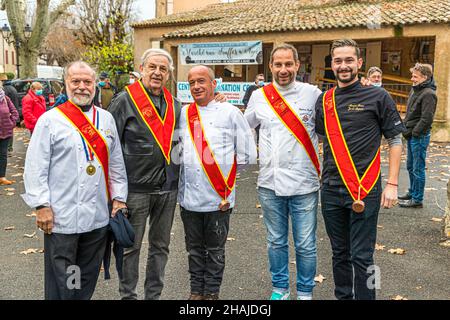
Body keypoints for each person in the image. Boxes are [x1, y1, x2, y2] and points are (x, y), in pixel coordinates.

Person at [22, 61, 128, 300]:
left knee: (86, 276)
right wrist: (41, 205)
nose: (82, 87)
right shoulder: (50, 120)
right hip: (62, 217)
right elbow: (35, 166)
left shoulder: (107, 119)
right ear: (66, 84)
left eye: (87, 82)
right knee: (65, 279)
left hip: (97, 217)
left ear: (94, 85)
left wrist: (119, 198)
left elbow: (117, 165)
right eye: (76, 82)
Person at [315, 39, 405, 300]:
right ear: (332, 64)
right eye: (338, 61)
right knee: (339, 253)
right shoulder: (325, 100)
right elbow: (323, 140)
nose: (343, 66)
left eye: (349, 60)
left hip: (365, 190)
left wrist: (392, 184)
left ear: (359, 63)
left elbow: (395, 140)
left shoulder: (379, 96)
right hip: (331, 189)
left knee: (364, 255)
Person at [245, 44, 322, 300]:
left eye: (288, 64)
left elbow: (329, 130)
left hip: (305, 182)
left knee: (305, 244)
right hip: (269, 183)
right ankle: (280, 289)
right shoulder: (259, 96)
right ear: (270, 67)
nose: (283, 69)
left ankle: (305, 291)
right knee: (276, 241)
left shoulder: (314, 94)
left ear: (297, 65)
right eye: (278, 64)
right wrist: (219, 103)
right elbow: (243, 127)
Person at [109, 48, 182, 301]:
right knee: (130, 248)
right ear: (141, 69)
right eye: (152, 67)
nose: (157, 73)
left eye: (163, 69)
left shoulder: (176, 104)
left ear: (169, 73)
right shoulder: (123, 100)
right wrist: (114, 193)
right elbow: (110, 145)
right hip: (135, 190)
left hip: (167, 189)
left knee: (161, 248)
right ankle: (128, 296)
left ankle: (154, 296)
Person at [178, 65, 257, 300]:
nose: (196, 86)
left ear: (214, 84)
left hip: (218, 197)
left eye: (202, 81)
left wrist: (225, 173)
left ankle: (212, 292)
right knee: (193, 249)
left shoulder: (230, 112)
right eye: (192, 82)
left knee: (215, 250)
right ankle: (195, 292)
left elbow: (247, 154)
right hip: (189, 198)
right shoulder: (183, 113)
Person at [399, 63, 437, 208]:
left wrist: (414, 132)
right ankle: (413, 191)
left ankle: (417, 199)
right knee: (410, 166)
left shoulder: (429, 94)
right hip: (411, 134)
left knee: (418, 168)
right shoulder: (415, 90)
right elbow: (411, 112)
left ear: (425, 77)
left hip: (419, 136)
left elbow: (427, 119)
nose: (412, 78)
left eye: (415, 76)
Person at [0, 86, 19, 185]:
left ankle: (2, 177)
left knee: (3, 154)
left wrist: (11, 123)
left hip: (5, 131)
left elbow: (15, 112)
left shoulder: (6, 99)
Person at [1, 75, 19, 155]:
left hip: (6, 125)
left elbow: (14, 110)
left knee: (3, 155)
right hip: (8, 119)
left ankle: (9, 148)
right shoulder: (13, 88)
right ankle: (10, 148)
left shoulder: (5, 95)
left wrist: (11, 123)